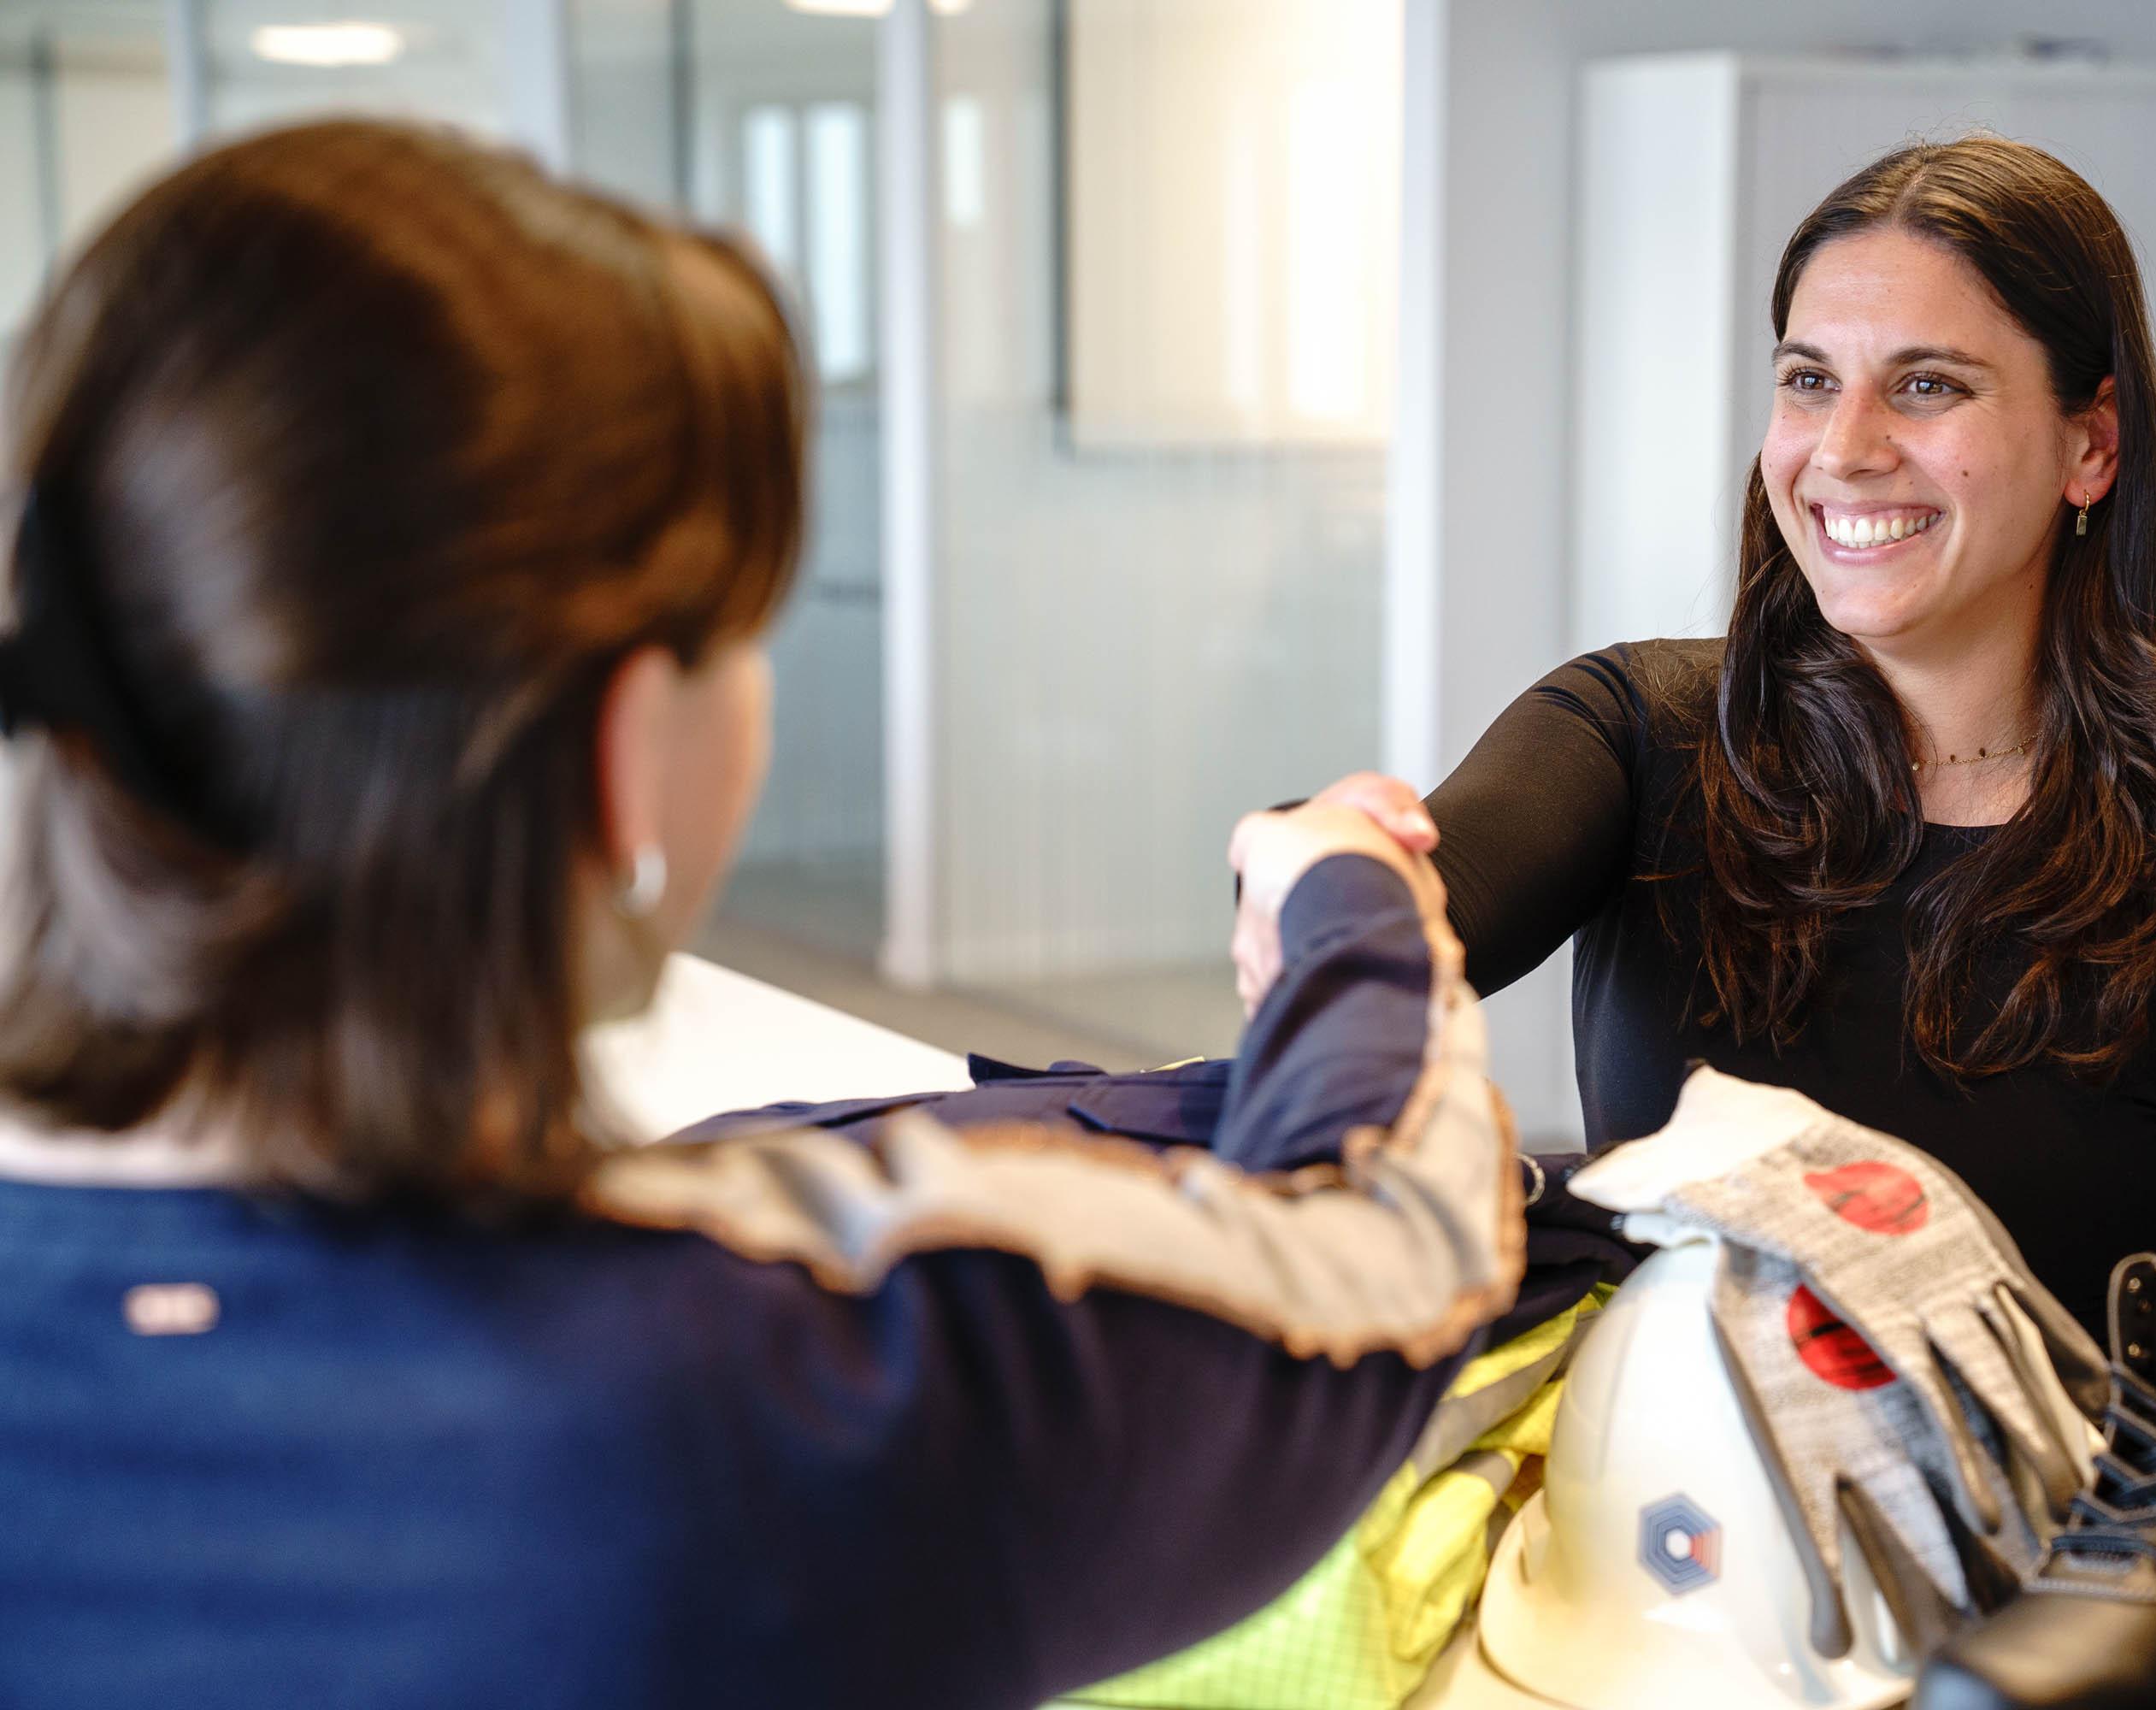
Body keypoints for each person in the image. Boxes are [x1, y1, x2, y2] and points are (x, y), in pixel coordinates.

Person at [0, 121, 1521, 1709]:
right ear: (625, 748)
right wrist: (1342, 892)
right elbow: (1385, 1253)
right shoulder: (788, 1389)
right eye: (746, 630)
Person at [1277, 137, 2156, 1341]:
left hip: (2029, 1529)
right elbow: (1418, 900)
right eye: (1811, 380)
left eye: (1928, 385)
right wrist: (1328, 862)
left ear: (2093, 444)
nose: (1845, 449)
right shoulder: (1643, 736)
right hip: (1650, 1519)